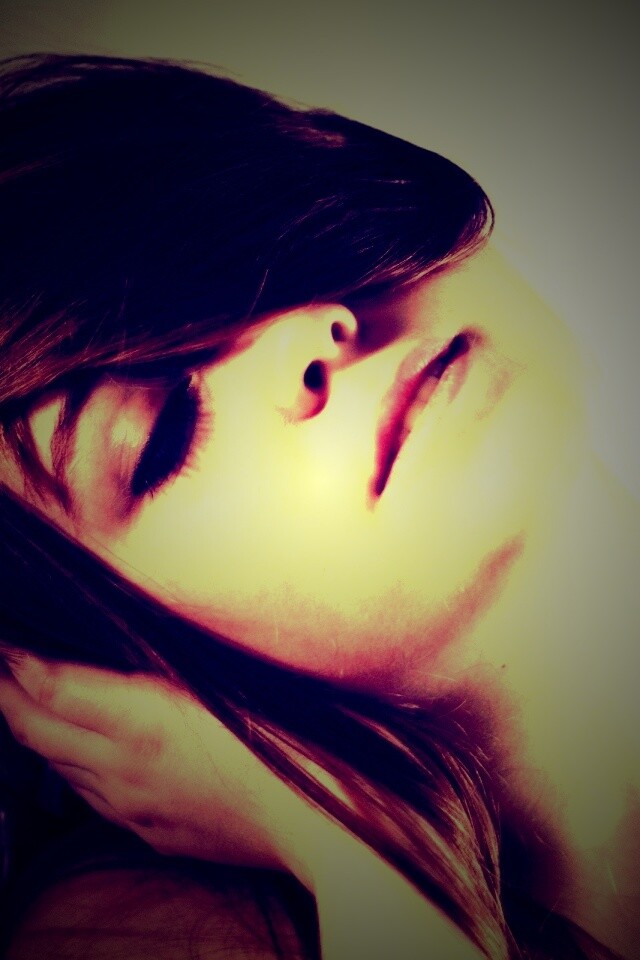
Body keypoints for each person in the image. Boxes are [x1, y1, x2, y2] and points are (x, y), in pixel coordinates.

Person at [0, 52, 638, 960]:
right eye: (163, 434)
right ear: (93, 672)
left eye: (270, 236)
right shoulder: (139, 934)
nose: (317, 325)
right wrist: (364, 859)